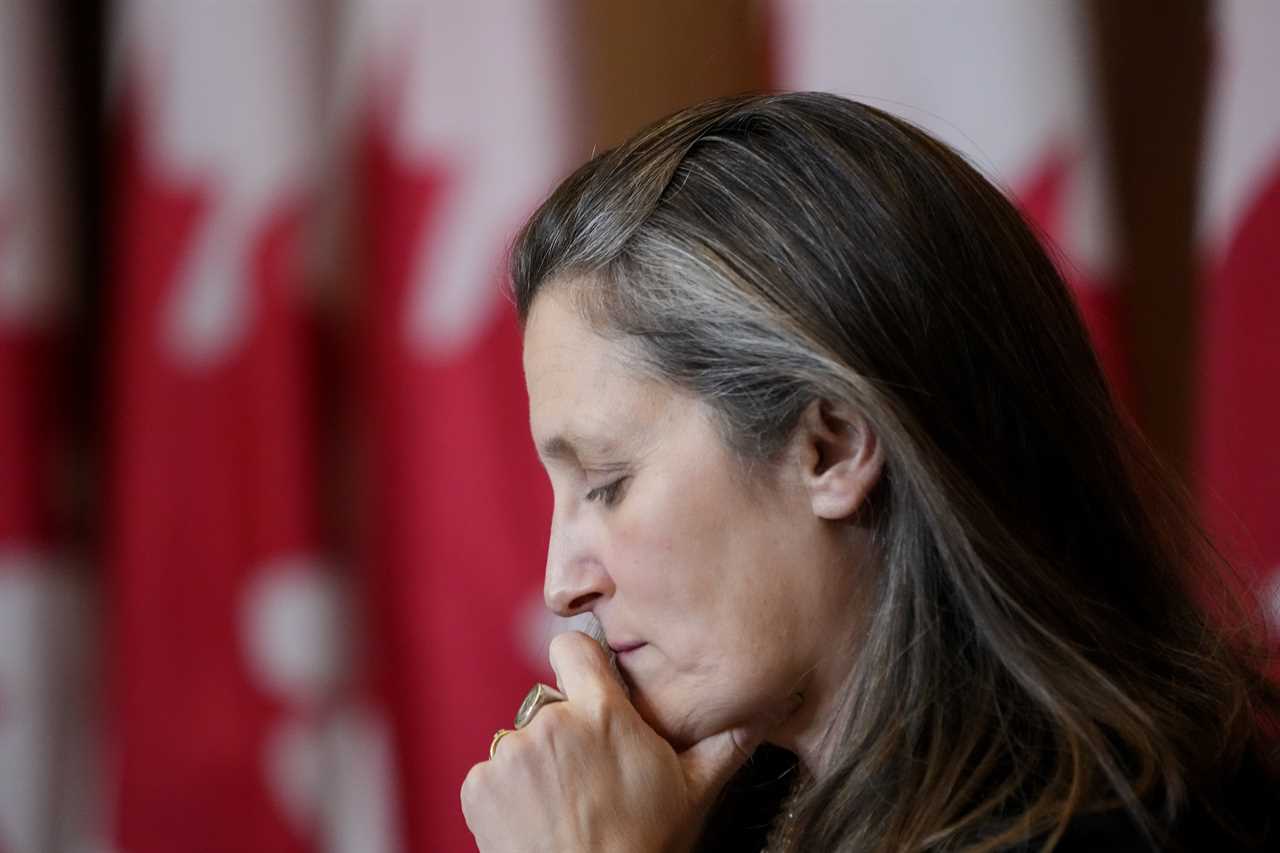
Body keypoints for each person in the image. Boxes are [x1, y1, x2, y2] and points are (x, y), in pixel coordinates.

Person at [459, 92, 1279, 852]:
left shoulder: (1119, 829)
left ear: (834, 449)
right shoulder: (728, 805)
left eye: (607, 480)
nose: (560, 585)